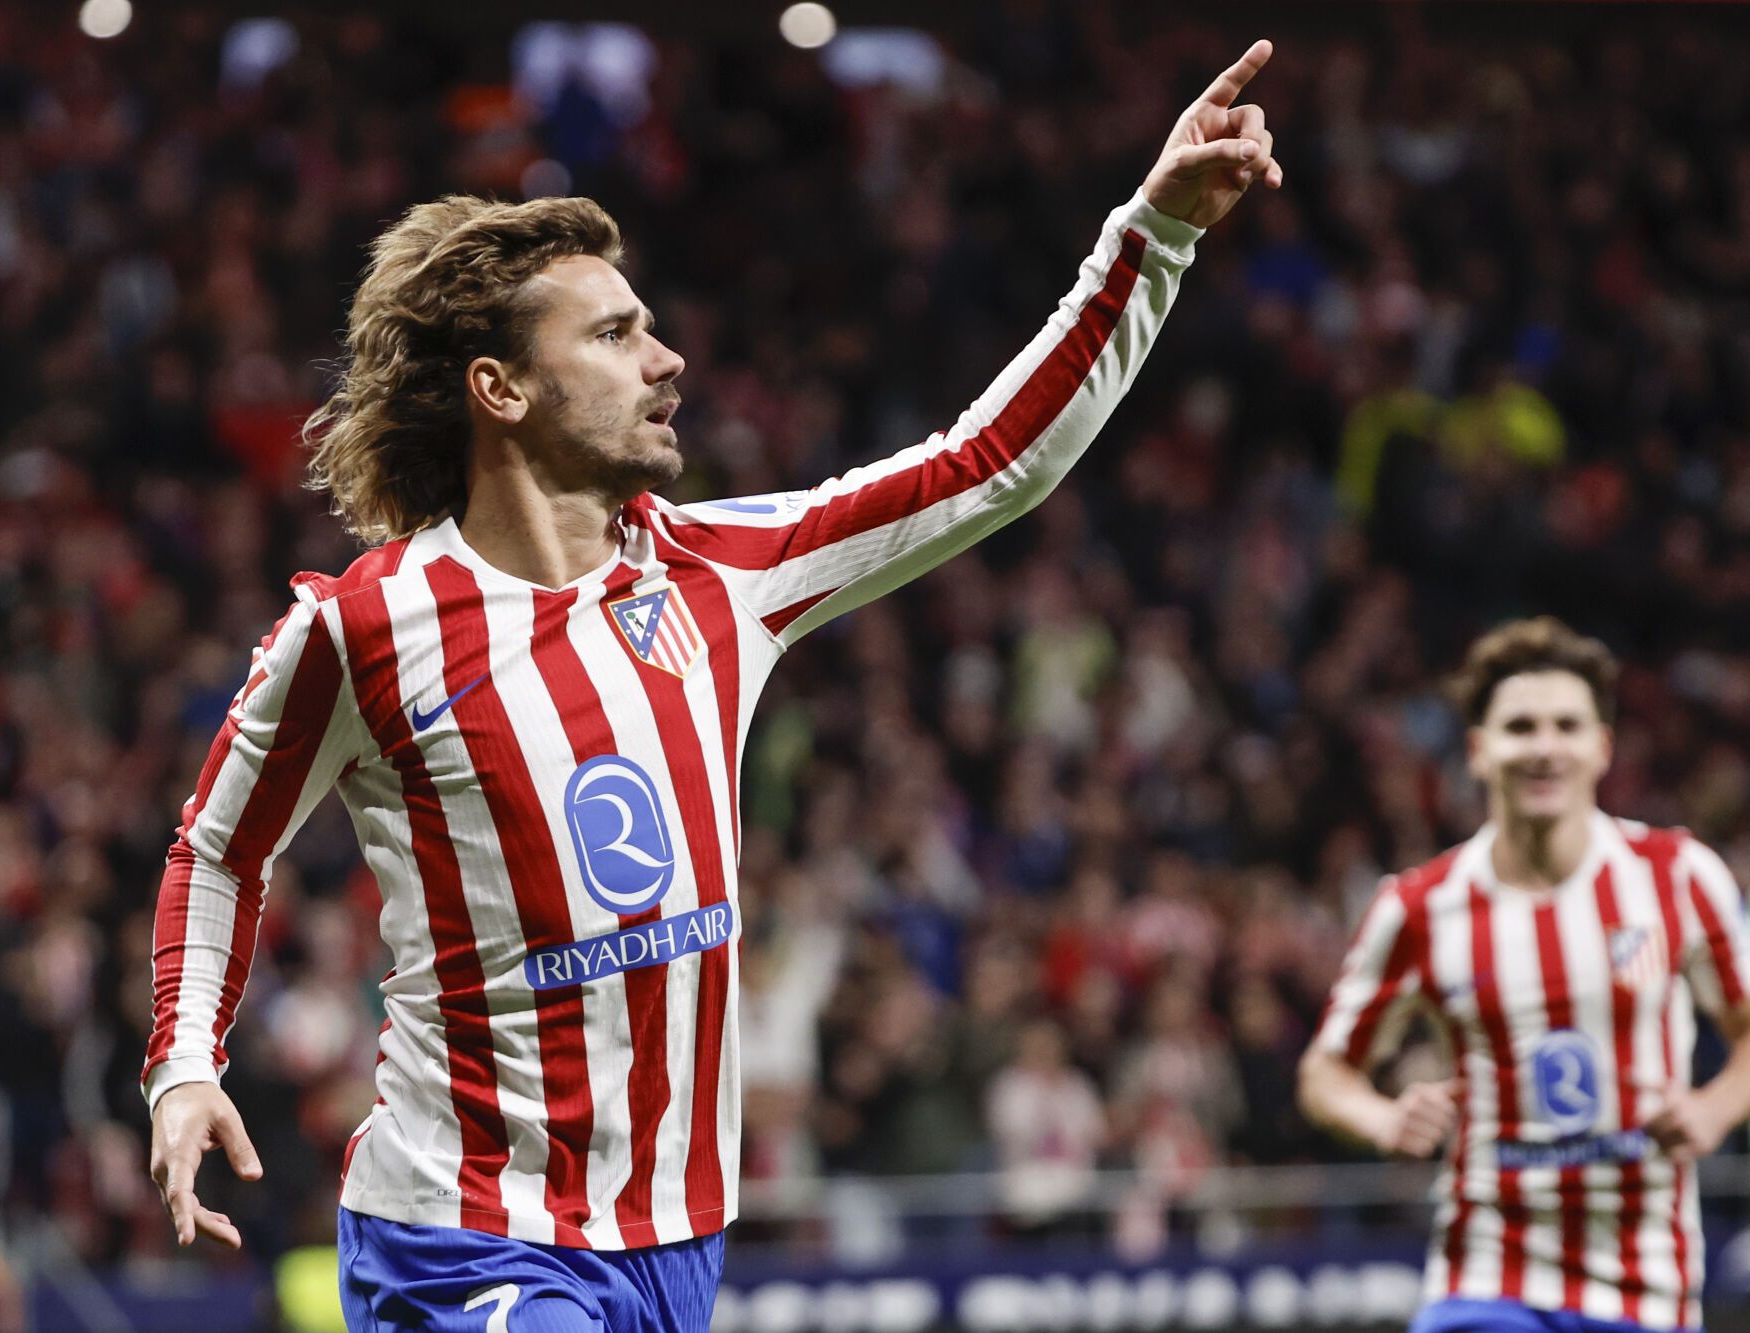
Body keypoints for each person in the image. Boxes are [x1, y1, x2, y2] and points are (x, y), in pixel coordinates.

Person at [145, 40, 1283, 1331]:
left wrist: (1157, 237)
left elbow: (987, 466)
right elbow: (219, 847)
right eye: (619, 334)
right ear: (500, 389)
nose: (668, 359)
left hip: (677, 1243)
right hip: (467, 1236)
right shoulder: (365, 629)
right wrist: (185, 1064)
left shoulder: (722, 574)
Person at [1299, 617, 1750, 1333]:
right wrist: (1384, 1117)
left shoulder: (1679, 877)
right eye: (1520, 727)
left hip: (1648, 1288)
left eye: (1567, 725)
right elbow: (1325, 1072)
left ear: (1602, 747)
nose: (1544, 748)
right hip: (1487, 1275)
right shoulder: (1420, 905)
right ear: (1478, 751)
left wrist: (1715, 1108)